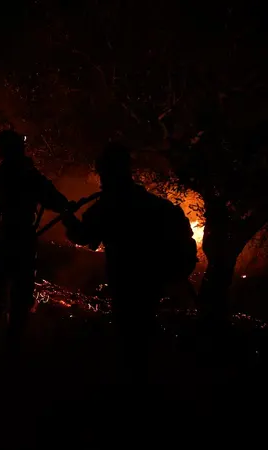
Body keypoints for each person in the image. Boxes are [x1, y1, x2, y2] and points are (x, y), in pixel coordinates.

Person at [62, 142, 197, 381]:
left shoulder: (109, 205)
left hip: (125, 278)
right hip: (151, 279)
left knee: (128, 334)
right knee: (143, 329)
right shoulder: (150, 202)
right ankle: (144, 380)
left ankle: (131, 384)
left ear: (107, 171)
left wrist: (68, 218)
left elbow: (83, 236)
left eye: (102, 171)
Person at [0, 130, 71, 367]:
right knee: (19, 300)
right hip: (23, 244)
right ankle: (12, 352)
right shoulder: (33, 180)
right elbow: (59, 203)